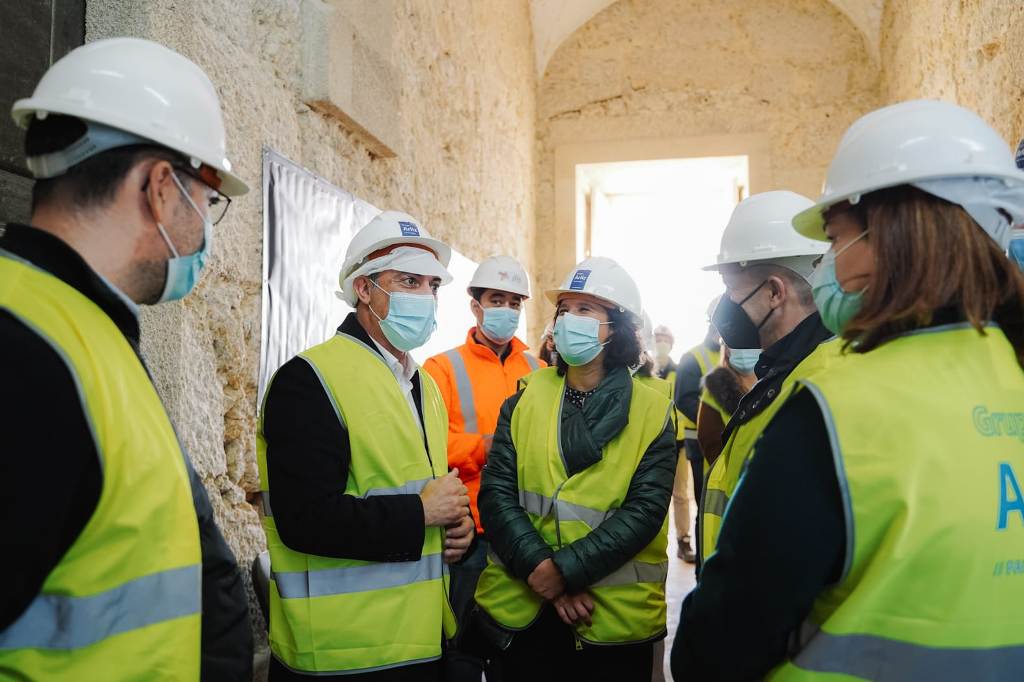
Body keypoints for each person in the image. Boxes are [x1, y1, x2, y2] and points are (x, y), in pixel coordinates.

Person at [673, 99, 1024, 680]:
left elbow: (722, 641)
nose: (827, 263)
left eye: (834, 238)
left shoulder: (839, 401)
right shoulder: (1011, 370)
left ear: (885, 234)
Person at [0, 38, 252, 680]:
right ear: (162, 188)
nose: (205, 227)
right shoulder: (23, 350)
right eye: (208, 197)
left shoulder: (80, 324)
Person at [258, 211, 473, 680]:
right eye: (408, 281)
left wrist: (456, 529)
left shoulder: (424, 386)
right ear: (364, 288)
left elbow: (422, 491)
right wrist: (421, 514)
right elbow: (304, 520)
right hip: (340, 657)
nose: (425, 297)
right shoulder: (309, 379)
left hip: (418, 646)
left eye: (432, 286)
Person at [474, 257, 677, 681]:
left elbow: (644, 510)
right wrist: (542, 570)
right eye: (563, 310)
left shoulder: (654, 409)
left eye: (585, 310)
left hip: (609, 618)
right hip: (524, 606)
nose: (569, 320)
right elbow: (496, 494)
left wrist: (564, 571)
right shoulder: (527, 395)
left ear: (617, 327)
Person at [422, 255, 544, 679]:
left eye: (515, 302)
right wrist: (481, 447)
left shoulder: (538, 370)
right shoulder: (441, 369)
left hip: (524, 533)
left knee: (521, 644)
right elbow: (426, 445)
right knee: (461, 648)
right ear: (475, 305)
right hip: (469, 534)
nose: (506, 310)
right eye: (497, 299)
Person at [697, 191, 836, 562]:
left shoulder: (813, 388)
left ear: (774, 292)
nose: (724, 306)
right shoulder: (784, 373)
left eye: (731, 289)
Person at [672, 298, 721, 562]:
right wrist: (719, 417)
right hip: (698, 444)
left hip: (729, 443)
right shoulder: (693, 358)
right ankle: (704, 562)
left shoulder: (736, 351)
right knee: (707, 506)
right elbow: (684, 399)